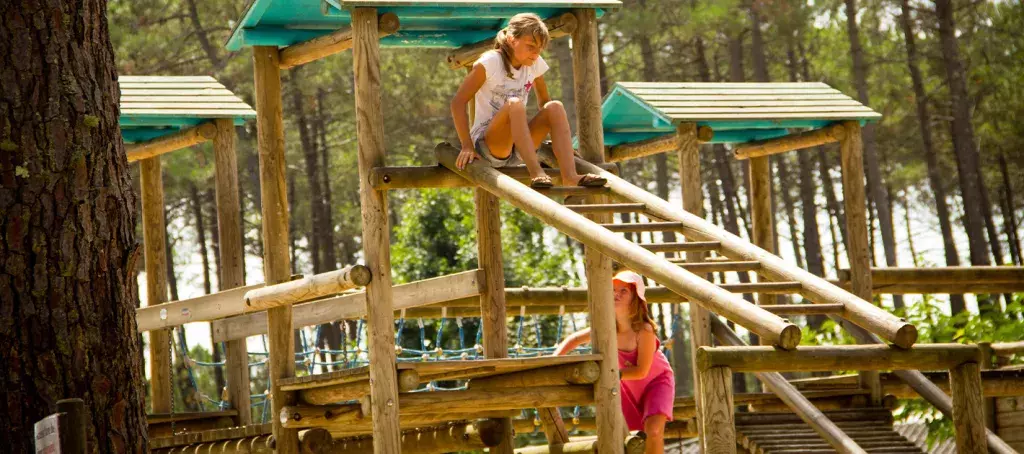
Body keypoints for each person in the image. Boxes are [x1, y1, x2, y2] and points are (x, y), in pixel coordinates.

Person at [450, 13, 606, 188]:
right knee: (515, 104)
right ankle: (536, 173)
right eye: (531, 46)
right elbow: (458, 102)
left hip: (521, 148)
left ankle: (570, 176)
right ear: (511, 39)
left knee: (554, 106)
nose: (536, 53)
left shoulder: (534, 63)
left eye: (539, 48)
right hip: (491, 147)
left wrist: (562, 146)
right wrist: (467, 146)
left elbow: (544, 104)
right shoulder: (490, 62)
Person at [553, 270, 675, 454]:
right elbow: (574, 339)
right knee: (634, 439)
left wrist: (609, 374)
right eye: (613, 290)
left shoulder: (644, 330)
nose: (616, 294)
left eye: (623, 290)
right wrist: (554, 361)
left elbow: (642, 371)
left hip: (656, 383)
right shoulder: (606, 327)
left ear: (636, 297)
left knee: (654, 430)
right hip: (626, 387)